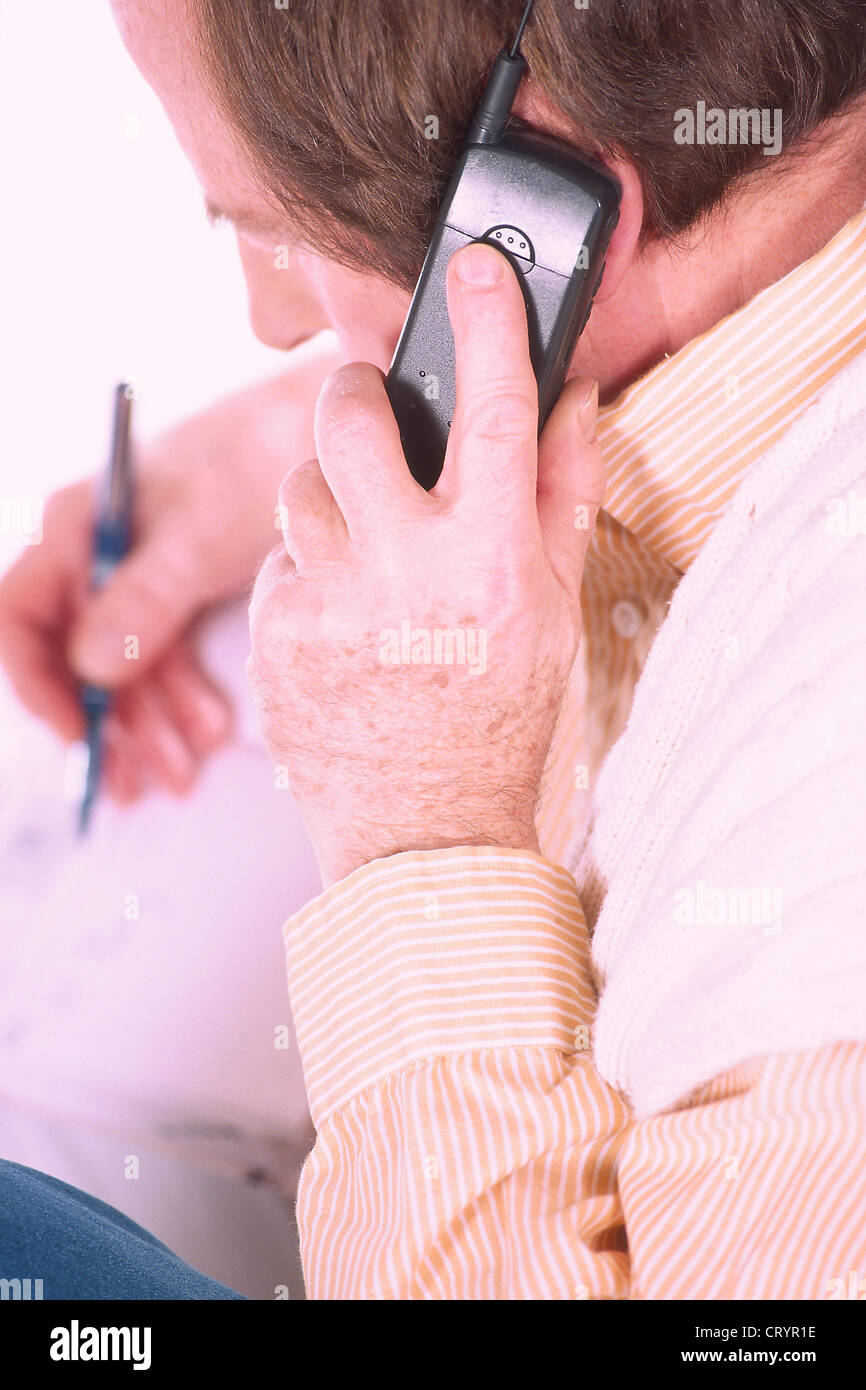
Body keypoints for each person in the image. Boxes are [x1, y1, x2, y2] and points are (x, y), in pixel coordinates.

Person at [2, 0, 865, 1299]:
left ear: (541, 201)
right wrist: (293, 440)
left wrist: (422, 832)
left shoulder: (812, 883)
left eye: (273, 229)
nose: (266, 317)